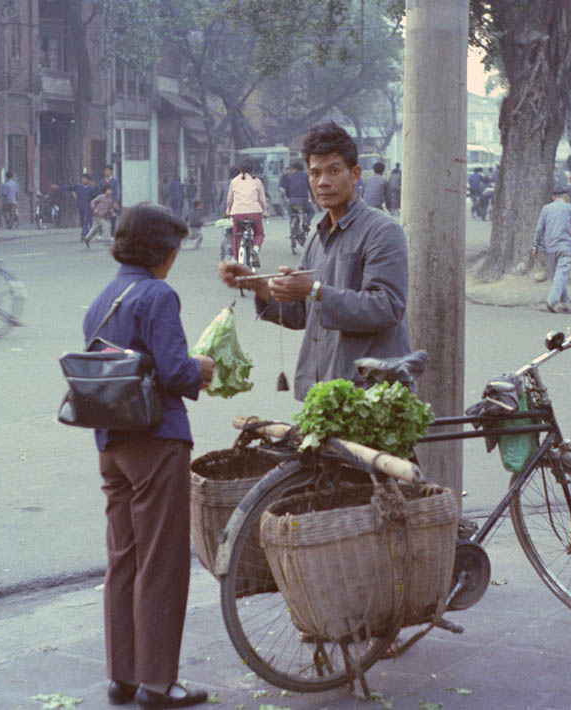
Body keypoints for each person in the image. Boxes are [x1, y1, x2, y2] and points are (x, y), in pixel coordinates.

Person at [83, 203, 214, 710]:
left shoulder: (104, 298)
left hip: (110, 443)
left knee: (123, 558)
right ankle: (159, 684)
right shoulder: (158, 294)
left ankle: (123, 677)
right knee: (162, 562)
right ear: (162, 251)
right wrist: (201, 366)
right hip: (156, 439)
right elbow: (176, 371)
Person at [219, 120, 411, 401]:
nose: (323, 182)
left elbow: (387, 307)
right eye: (315, 173)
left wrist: (313, 290)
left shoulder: (382, 231)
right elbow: (303, 315)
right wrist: (260, 285)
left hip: (372, 394)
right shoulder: (316, 237)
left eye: (334, 171)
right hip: (325, 392)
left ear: (355, 173)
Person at [532, 186, 571, 313]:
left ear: (553, 197)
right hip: (566, 245)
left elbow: (539, 228)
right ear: (565, 196)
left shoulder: (546, 209)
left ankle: (564, 301)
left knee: (558, 273)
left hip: (550, 246)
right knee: (561, 273)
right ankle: (552, 300)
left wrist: (535, 245)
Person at [225, 160, 266, 268]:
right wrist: (265, 210)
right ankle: (255, 249)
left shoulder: (234, 181)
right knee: (259, 233)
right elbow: (262, 199)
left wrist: (228, 210)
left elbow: (229, 200)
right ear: (252, 169)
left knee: (237, 235)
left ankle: (236, 258)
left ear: (240, 169)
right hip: (254, 213)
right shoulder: (257, 181)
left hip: (238, 213)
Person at [54, 174, 99, 240]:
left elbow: (96, 197)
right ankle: (89, 230)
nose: (83, 180)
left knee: (85, 220)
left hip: (88, 207)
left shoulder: (91, 188)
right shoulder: (78, 187)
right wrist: (58, 187)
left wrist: (96, 206)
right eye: (83, 179)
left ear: (88, 180)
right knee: (82, 221)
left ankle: (83, 234)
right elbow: (69, 187)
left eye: (85, 179)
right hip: (80, 206)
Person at [99, 165, 121, 235]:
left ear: (111, 171)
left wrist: (115, 201)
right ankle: (100, 234)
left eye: (108, 170)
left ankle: (112, 234)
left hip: (112, 202)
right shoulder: (102, 181)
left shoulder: (115, 181)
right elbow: (99, 192)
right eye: (105, 171)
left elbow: (117, 192)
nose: (107, 172)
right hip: (103, 202)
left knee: (113, 219)